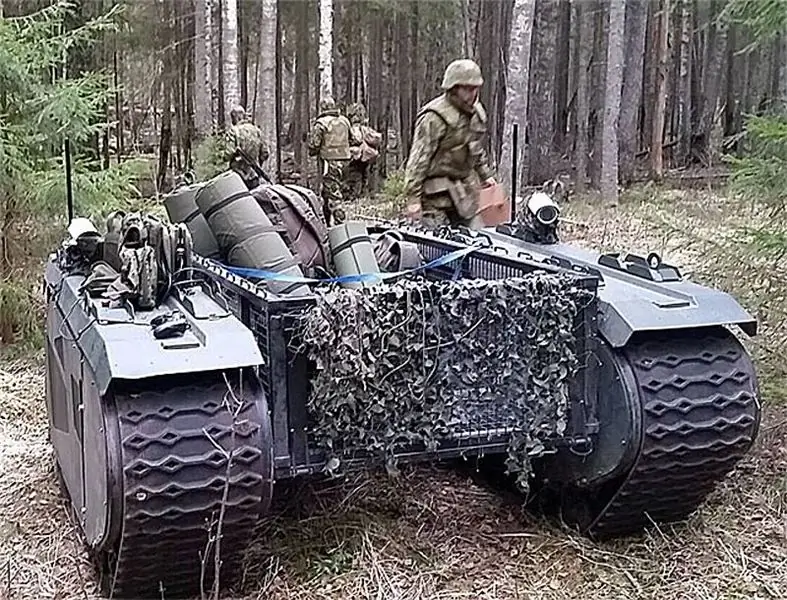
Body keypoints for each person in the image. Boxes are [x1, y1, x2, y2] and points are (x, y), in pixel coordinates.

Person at [402, 58, 497, 229]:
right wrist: (413, 199)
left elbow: (475, 148)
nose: (473, 94)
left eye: (476, 88)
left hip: (464, 193)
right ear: (453, 88)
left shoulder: (476, 113)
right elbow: (418, 161)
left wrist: (485, 176)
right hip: (434, 196)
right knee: (435, 245)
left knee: (481, 240)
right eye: (468, 89)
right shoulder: (434, 118)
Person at [307, 96, 352, 226]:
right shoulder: (345, 121)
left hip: (329, 162)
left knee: (333, 195)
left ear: (322, 107)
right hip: (345, 162)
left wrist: (312, 148)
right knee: (327, 193)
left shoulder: (321, 123)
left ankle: (340, 225)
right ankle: (326, 224)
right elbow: (354, 139)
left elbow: (314, 145)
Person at [224, 105, 269, 188]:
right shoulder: (257, 131)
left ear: (235, 117)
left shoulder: (233, 131)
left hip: (237, 177)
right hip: (254, 175)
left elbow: (228, 154)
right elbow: (265, 153)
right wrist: (257, 163)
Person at [345, 102, 382, 203]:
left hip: (357, 155)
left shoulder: (355, 128)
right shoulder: (366, 127)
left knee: (355, 176)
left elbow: (356, 139)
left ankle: (355, 197)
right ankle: (364, 196)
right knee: (363, 175)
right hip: (366, 155)